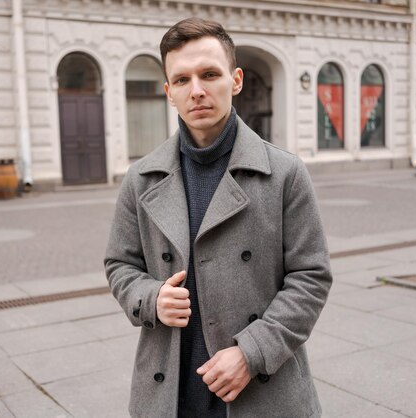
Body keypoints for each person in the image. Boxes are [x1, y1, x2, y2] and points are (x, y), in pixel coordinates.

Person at [105, 17, 332, 418]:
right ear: (169, 92)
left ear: (236, 79)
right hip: (169, 391)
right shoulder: (141, 179)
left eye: (209, 74)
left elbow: (310, 278)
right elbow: (120, 265)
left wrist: (252, 352)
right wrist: (150, 298)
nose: (197, 91)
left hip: (262, 388)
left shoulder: (283, 173)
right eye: (181, 80)